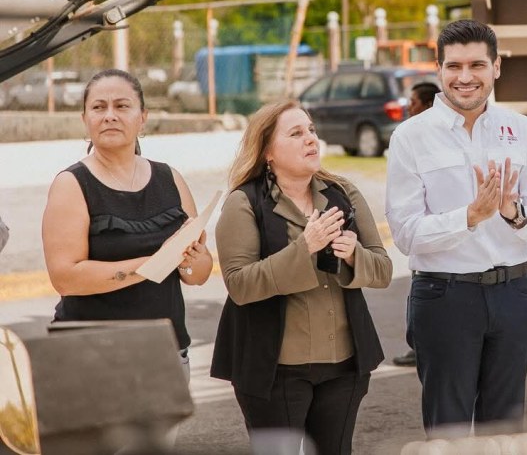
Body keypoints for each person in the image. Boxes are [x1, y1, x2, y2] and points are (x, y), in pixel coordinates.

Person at [385, 19, 527, 435]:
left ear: (496, 67)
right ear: (439, 69)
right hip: (445, 297)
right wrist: (469, 217)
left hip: (514, 294)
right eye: (454, 66)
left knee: (506, 427)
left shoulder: (521, 129)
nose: (465, 77)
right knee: (449, 428)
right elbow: (406, 234)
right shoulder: (411, 136)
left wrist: (513, 214)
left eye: (477, 65)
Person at [211, 100, 392, 455]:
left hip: (344, 367)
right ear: (267, 152)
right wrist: (305, 247)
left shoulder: (344, 194)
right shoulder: (243, 203)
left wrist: (354, 255)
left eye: (311, 130)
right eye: (296, 133)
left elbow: (383, 269)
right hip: (274, 371)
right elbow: (240, 285)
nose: (311, 139)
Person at [41, 68, 212, 376]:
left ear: (142, 117)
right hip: (91, 358)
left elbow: (195, 275)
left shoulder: (170, 178)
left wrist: (194, 259)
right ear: (85, 120)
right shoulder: (71, 184)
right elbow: (65, 278)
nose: (109, 115)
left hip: (167, 354)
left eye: (121, 106)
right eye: (98, 107)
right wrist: (153, 264)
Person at [393, 80, 442, 368]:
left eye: (413, 101)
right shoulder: (410, 136)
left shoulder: (427, 138)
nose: (408, 106)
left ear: (425, 104)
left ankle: (420, 347)